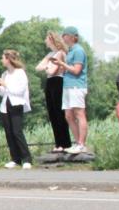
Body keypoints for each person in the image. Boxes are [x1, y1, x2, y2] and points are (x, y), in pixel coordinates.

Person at [51, 26, 88, 154]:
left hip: (76, 86)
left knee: (79, 114)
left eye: (65, 35)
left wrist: (62, 64)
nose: (63, 37)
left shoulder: (78, 50)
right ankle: (77, 143)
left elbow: (77, 70)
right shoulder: (70, 51)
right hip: (67, 86)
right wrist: (60, 65)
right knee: (68, 115)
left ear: (72, 36)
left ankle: (82, 144)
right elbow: (68, 69)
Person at [35, 31, 71, 152]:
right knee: (52, 114)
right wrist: (47, 66)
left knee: (59, 113)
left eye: (47, 38)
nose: (45, 40)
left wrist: (47, 66)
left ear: (52, 39)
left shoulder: (60, 53)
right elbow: (38, 67)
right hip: (50, 83)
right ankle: (58, 143)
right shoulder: (50, 54)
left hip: (58, 82)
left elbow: (52, 71)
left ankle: (65, 143)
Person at [0, 50, 33, 169]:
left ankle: (26, 158)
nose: (1, 60)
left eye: (3, 58)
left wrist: (5, 85)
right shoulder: (5, 74)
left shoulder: (20, 73)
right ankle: (15, 158)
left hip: (17, 104)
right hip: (5, 105)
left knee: (17, 131)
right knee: (9, 133)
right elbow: (3, 93)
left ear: (8, 59)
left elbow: (19, 91)